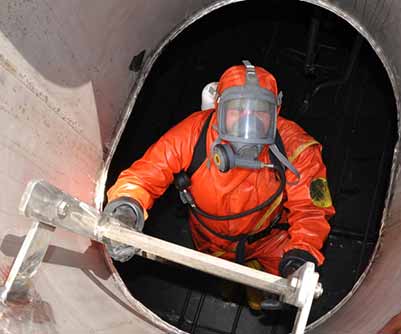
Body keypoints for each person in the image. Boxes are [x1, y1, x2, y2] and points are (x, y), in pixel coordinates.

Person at [103, 60, 335, 297]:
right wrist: (126, 209)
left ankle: (257, 291)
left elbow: (311, 210)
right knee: (221, 282)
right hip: (211, 241)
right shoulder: (193, 133)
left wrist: (301, 254)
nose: (248, 122)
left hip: (269, 242)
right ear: (218, 108)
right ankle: (230, 287)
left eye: (258, 110)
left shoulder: (297, 149)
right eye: (237, 109)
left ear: (275, 111)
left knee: (277, 291)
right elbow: (144, 176)